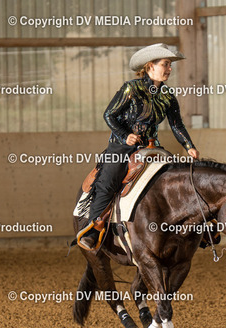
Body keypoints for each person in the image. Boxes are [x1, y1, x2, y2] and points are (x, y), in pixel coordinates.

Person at [77, 43, 200, 250]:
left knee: (174, 177)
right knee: (109, 182)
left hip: (152, 147)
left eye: (170, 65)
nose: (169, 69)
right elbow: (109, 115)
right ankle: (93, 227)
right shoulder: (131, 88)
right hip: (121, 147)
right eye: (165, 64)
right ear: (150, 66)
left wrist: (189, 146)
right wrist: (125, 136)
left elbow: (177, 125)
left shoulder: (168, 96)